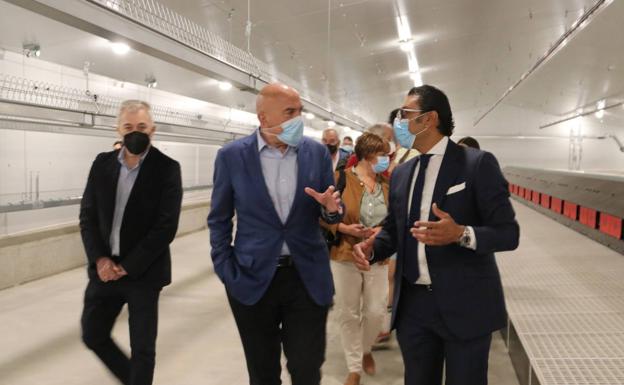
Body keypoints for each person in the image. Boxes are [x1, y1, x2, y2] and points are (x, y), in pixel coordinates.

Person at [352, 85, 519, 385]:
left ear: (429, 119)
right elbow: (393, 231)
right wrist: (372, 248)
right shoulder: (403, 173)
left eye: (406, 114)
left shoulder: (477, 164)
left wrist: (462, 234)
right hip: (414, 307)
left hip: (465, 304)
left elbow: (508, 233)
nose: (399, 122)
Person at [207, 83, 344, 385]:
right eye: (290, 112)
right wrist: (226, 269)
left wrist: (332, 210)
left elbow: (331, 208)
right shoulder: (231, 156)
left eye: (300, 112)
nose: (299, 119)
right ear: (263, 118)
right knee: (263, 373)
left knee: (307, 369)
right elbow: (218, 219)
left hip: (306, 278)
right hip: (252, 278)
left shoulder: (317, 153)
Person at [79, 100, 183, 385]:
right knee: (92, 334)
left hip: (143, 274)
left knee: (143, 348)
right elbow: (87, 216)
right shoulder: (101, 164)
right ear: (118, 129)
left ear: (153, 129)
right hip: (104, 271)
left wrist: (128, 266)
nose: (134, 132)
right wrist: (100, 260)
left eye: (141, 127)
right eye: (128, 127)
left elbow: (165, 226)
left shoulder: (167, 169)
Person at [321, 132, 390, 385]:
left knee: (375, 310)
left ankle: (366, 350)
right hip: (345, 255)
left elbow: (393, 219)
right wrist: (344, 229)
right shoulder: (340, 179)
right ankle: (354, 367)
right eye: (382, 154)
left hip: (376, 255)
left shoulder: (386, 184)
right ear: (368, 155)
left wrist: (380, 231)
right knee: (348, 312)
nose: (386, 160)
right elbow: (322, 216)